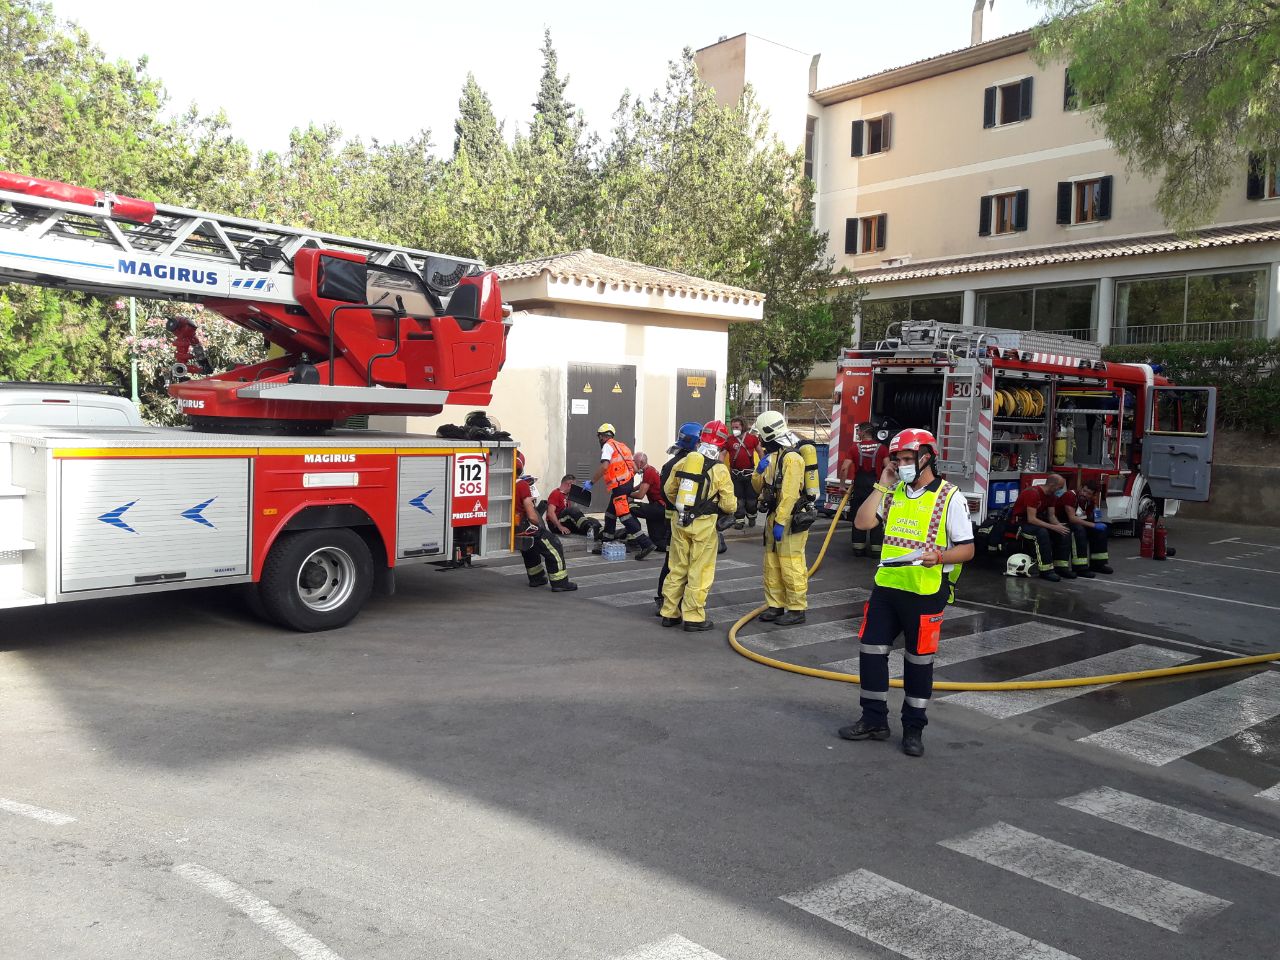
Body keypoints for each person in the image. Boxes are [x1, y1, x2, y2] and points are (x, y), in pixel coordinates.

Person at [838, 428, 975, 757]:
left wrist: (940, 556)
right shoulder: (894, 491)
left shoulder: (949, 496)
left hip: (925, 592)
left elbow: (967, 549)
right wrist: (882, 483)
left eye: (907, 459)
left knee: (918, 662)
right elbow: (862, 522)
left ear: (927, 457)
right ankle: (874, 721)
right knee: (871, 652)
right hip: (887, 588)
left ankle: (913, 728)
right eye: (898, 459)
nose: (902, 464)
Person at [660, 420, 737, 631]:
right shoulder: (720, 470)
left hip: (680, 522)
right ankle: (693, 617)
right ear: (721, 444)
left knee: (676, 567)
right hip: (704, 525)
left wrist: (681, 507)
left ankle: (669, 612)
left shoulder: (684, 462)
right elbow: (729, 504)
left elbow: (668, 490)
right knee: (700, 570)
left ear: (702, 438)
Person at [750, 411, 812, 626]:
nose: (758, 439)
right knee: (772, 564)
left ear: (768, 434)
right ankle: (775, 605)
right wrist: (758, 472)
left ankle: (796, 608)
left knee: (791, 564)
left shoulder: (792, 459)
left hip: (789, 518)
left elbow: (790, 493)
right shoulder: (772, 457)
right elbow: (760, 488)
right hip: (774, 516)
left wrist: (780, 521)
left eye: (760, 434)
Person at [653, 421, 702, 614]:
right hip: (686, 521)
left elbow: (665, 494)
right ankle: (672, 602)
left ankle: (665, 599)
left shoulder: (670, 464)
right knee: (683, 564)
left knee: (672, 562)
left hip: (671, 520)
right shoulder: (692, 465)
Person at [588, 423, 656, 561]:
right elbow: (635, 469)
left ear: (602, 436)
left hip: (620, 486)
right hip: (627, 483)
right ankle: (605, 543)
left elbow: (605, 466)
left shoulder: (608, 446)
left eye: (599, 437)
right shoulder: (623, 446)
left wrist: (591, 482)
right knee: (609, 514)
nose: (599, 439)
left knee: (624, 515)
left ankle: (646, 544)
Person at [514, 452, 577, 592]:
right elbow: (531, 515)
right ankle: (560, 582)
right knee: (553, 544)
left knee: (529, 546)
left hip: (513, 527)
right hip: (523, 525)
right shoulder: (522, 485)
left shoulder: (504, 483)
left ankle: (537, 577)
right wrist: (538, 526)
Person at [1010, 473, 1073, 581]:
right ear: (1052, 485)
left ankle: (1061, 567)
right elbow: (1031, 519)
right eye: (1060, 487)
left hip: (1035, 523)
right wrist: (1053, 527)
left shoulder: (1052, 497)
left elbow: (1051, 516)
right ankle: (1046, 570)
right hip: (1020, 524)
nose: (1061, 490)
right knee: (1041, 533)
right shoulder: (1033, 493)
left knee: (1064, 531)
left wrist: (1058, 526)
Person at [840, 422, 889, 558]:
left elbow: (844, 468)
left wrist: (842, 486)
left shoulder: (854, 448)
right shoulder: (882, 448)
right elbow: (888, 467)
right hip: (876, 487)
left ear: (863, 432)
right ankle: (875, 549)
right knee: (876, 515)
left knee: (858, 515)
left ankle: (858, 548)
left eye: (859, 431)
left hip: (860, 486)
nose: (858, 433)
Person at [1056, 478, 1114, 575]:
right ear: (1080, 488)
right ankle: (1080, 567)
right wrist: (1094, 525)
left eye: (1088, 493)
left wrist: (1095, 507)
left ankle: (1098, 564)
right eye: (1084, 491)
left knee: (1101, 531)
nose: (1084, 494)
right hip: (1063, 522)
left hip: (1079, 522)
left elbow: (1096, 516)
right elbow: (1072, 518)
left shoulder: (1089, 501)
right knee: (1079, 530)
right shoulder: (1070, 495)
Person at [723, 416, 760, 529]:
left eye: (736, 427)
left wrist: (764, 467)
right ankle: (739, 521)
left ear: (743, 426)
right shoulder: (729, 440)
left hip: (750, 475)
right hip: (735, 475)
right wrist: (719, 466)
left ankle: (752, 516)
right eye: (733, 427)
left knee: (751, 501)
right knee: (738, 500)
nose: (734, 429)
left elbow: (760, 452)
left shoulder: (752, 438)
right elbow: (722, 453)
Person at [629, 452, 670, 551]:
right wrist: (630, 489)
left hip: (658, 507)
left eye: (634, 462)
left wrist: (626, 493)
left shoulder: (648, 473)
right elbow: (640, 486)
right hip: (660, 507)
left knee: (629, 507)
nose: (632, 464)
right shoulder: (650, 470)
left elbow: (640, 495)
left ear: (641, 462)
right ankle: (669, 548)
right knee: (657, 543)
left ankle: (634, 535)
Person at [544, 474, 603, 541]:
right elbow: (550, 513)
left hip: (565, 520)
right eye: (574, 485)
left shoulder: (567, 496)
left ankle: (600, 532)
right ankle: (590, 529)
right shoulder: (556, 493)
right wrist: (560, 527)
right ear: (570, 484)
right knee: (572, 510)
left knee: (592, 520)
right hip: (555, 525)